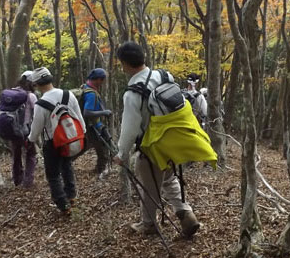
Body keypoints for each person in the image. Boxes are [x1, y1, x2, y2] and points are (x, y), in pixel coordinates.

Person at [113, 41, 201, 239]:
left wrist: (122, 153)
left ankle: (149, 224)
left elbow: (130, 128)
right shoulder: (163, 76)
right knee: (168, 177)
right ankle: (186, 214)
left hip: (151, 145)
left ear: (125, 63)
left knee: (149, 185)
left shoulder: (133, 92)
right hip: (173, 139)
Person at [28, 67, 86, 214]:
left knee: (53, 175)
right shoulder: (68, 95)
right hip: (70, 138)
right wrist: (81, 133)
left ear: (36, 84)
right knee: (67, 166)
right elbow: (79, 117)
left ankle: (63, 205)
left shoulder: (41, 104)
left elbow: (36, 128)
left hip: (52, 142)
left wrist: (31, 139)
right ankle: (71, 196)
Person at [81, 68, 113, 178]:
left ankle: (99, 170)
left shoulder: (86, 87)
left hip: (90, 125)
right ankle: (101, 172)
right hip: (93, 126)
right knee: (102, 151)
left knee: (96, 148)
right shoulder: (91, 94)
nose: (103, 83)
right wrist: (104, 112)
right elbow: (87, 112)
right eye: (102, 80)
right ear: (98, 79)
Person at [17, 70, 38, 188]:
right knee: (30, 155)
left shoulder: (13, 92)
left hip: (13, 130)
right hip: (26, 130)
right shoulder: (31, 96)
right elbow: (37, 113)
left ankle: (17, 180)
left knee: (16, 155)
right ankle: (28, 182)